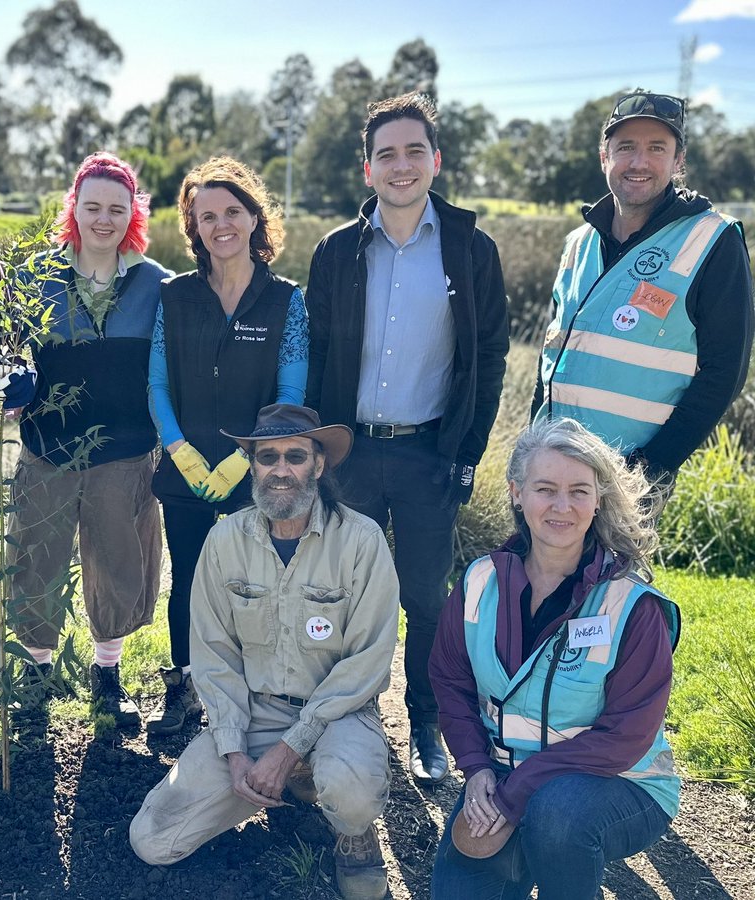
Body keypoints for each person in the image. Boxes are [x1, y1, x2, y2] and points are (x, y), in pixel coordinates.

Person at [305, 92, 509, 784]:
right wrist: (313, 451)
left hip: (429, 455)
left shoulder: (471, 249)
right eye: (386, 154)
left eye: (413, 151)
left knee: (425, 598)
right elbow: (318, 356)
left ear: (435, 161)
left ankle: (426, 722)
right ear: (367, 169)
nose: (401, 165)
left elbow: (489, 359)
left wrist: (467, 453)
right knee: (344, 593)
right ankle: (349, 716)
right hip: (351, 453)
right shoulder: (336, 251)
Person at [130, 403, 399, 900]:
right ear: (252, 465)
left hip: (337, 714)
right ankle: (290, 784)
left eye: (295, 456)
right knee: (152, 841)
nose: (281, 469)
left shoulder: (362, 542)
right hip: (253, 715)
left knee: (353, 791)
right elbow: (213, 655)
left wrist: (289, 748)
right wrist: (234, 751)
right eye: (267, 456)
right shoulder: (224, 540)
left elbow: (367, 661)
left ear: (318, 465)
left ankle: (352, 828)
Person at [430, 417, 680, 899]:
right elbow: (450, 680)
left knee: (557, 817)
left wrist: (519, 788)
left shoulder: (631, 605)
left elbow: (626, 736)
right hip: (501, 775)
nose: (562, 506)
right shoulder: (480, 582)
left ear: (598, 500)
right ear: (517, 493)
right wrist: (477, 767)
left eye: (579, 491)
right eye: (545, 488)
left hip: (616, 783)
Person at [5, 152, 170, 727]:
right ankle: (37, 673)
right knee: (36, 561)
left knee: (120, 562)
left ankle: (108, 677)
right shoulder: (32, 278)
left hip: (124, 454)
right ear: (74, 208)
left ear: (134, 214)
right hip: (47, 450)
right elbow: (4, 349)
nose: (104, 219)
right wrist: (12, 374)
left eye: (117, 209)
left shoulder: (157, 285)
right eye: (92, 207)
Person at [147, 156, 309, 735]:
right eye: (206, 215)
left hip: (257, 477)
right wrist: (180, 450)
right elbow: (157, 382)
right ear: (194, 227)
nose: (221, 225)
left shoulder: (286, 300)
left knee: (254, 583)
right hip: (186, 475)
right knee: (189, 578)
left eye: (232, 212)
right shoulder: (175, 296)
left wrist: (249, 454)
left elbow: (291, 390)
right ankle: (186, 687)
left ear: (254, 219)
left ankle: (254, 694)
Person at [533, 88, 753, 504]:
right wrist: (532, 445)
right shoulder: (577, 243)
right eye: (626, 147)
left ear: (679, 159)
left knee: (616, 573)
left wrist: (650, 468)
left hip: (630, 480)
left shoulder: (713, 240)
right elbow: (551, 353)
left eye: (657, 148)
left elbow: (725, 372)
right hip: (549, 470)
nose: (639, 162)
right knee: (539, 572)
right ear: (604, 156)